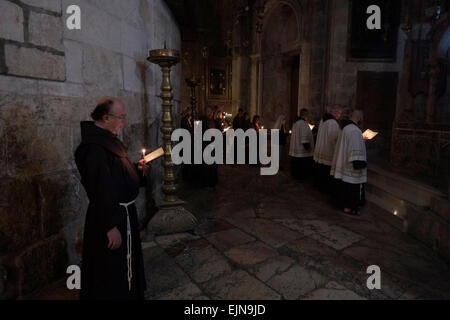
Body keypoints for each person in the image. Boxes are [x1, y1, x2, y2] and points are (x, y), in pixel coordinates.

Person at [74, 97, 148, 300]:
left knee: (124, 263)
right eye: (121, 117)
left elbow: (119, 176)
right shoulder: (94, 147)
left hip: (124, 213)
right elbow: (99, 188)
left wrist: (138, 171)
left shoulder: (110, 139)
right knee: (110, 267)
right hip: (111, 216)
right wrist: (109, 226)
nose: (124, 121)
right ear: (106, 117)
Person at [330, 108, 367, 216]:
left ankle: (346, 206)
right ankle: (351, 207)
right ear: (359, 117)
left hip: (344, 162)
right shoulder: (355, 130)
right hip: (351, 164)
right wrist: (359, 163)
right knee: (352, 186)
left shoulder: (345, 128)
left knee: (346, 186)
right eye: (362, 116)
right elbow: (355, 148)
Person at [313, 104, 343, 192]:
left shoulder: (323, 120)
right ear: (335, 112)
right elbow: (334, 139)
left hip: (320, 149)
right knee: (326, 172)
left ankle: (319, 186)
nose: (339, 115)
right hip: (328, 151)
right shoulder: (333, 123)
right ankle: (324, 189)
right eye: (339, 113)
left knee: (320, 170)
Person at [289, 109, 314, 179]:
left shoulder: (296, 123)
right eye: (307, 115)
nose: (308, 116)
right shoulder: (303, 124)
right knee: (301, 168)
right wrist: (308, 148)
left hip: (296, 149)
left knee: (296, 167)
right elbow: (304, 139)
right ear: (305, 115)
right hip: (301, 151)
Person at [200, 107, 219, 188]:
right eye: (208, 111)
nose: (210, 113)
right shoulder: (201, 121)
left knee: (213, 164)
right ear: (205, 112)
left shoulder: (214, 121)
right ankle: (206, 183)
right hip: (205, 145)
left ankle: (212, 182)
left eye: (211, 111)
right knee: (206, 166)